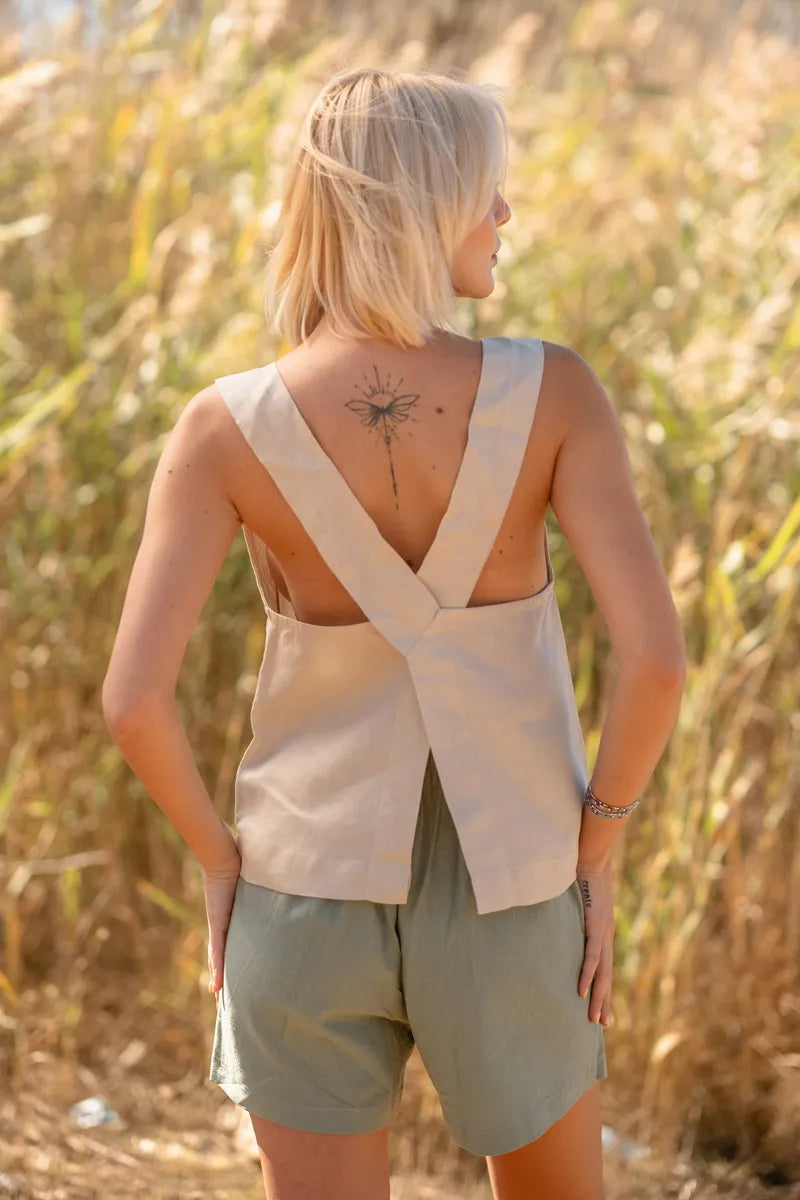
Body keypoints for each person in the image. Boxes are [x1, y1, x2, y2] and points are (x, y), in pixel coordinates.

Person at [102, 66, 686, 1200]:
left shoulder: (225, 426)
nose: (503, 216)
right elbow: (655, 662)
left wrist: (223, 862)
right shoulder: (553, 395)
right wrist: (595, 848)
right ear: (422, 207)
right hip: (514, 883)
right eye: (487, 191)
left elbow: (133, 701)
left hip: (302, 884)